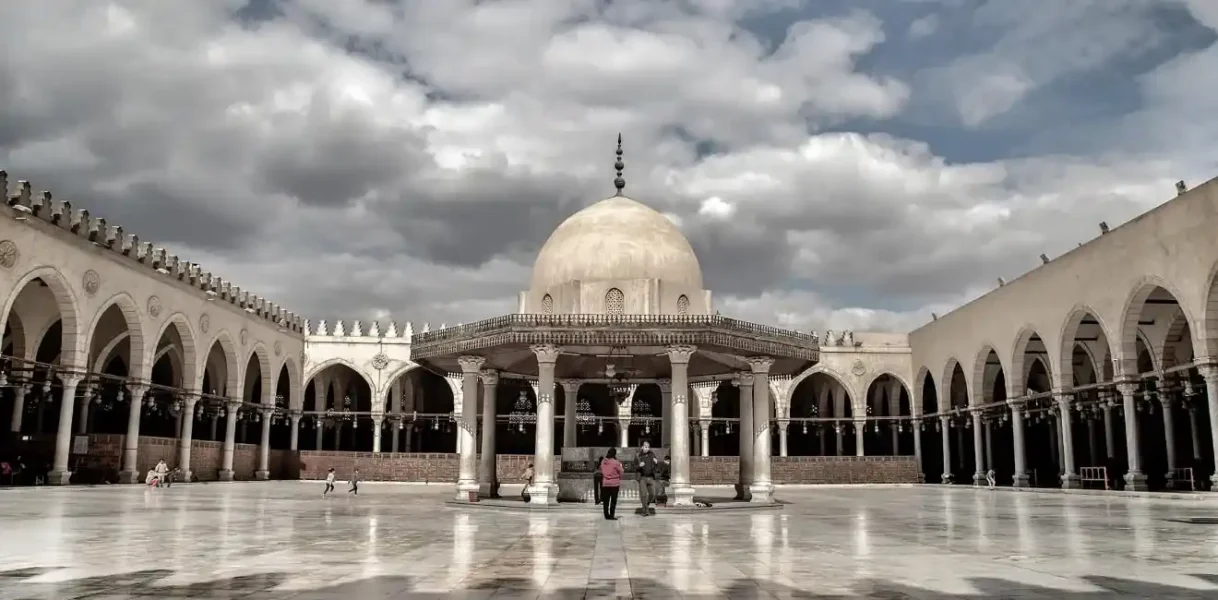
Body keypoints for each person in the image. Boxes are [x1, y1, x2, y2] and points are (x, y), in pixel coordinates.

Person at [636, 441, 659, 516]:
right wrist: (639, 465)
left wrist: (656, 463)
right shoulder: (638, 455)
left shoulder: (652, 454)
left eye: (648, 447)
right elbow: (634, 467)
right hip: (642, 477)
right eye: (645, 446)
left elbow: (656, 467)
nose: (647, 448)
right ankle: (645, 511)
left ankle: (646, 504)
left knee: (653, 494)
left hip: (651, 477)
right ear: (642, 447)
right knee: (643, 495)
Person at [600, 448, 624, 520]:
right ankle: (611, 515)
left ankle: (606, 515)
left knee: (606, 500)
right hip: (614, 484)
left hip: (605, 483)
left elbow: (602, 470)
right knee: (613, 500)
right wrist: (619, 477)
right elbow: (621, 471)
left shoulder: (603, 461)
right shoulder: (616, 462)